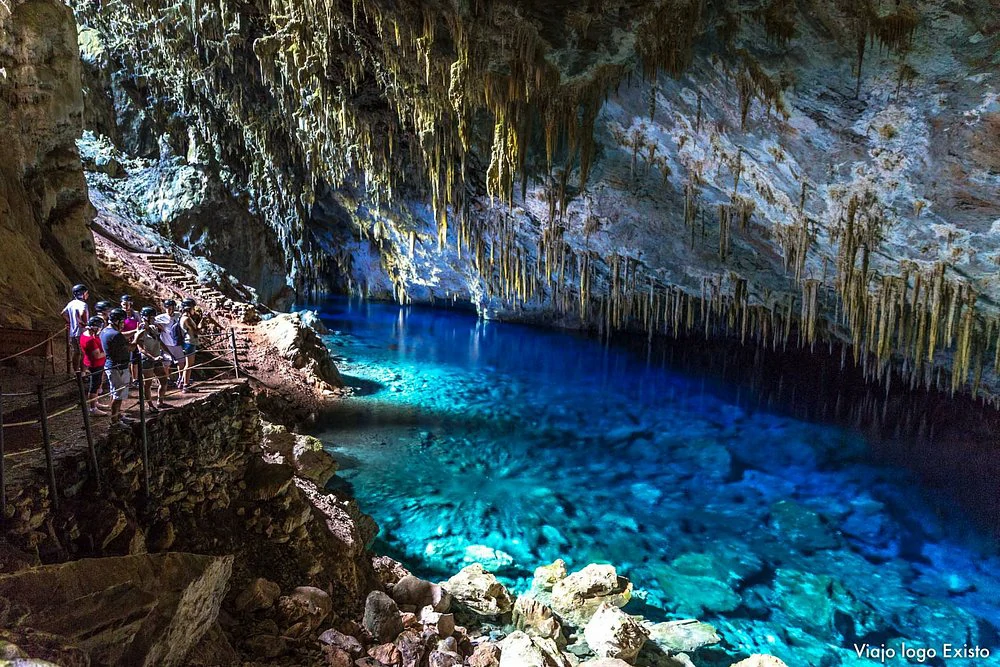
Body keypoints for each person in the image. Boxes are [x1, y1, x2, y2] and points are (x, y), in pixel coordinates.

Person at [100, 308, 135, 425]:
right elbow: (131, 347)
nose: (123, 324)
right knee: (118, 395)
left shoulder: (106, 331)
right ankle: (115, 420)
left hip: (113, 365)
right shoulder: (115, 335)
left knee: (114, 392)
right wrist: (138, 336)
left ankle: (117, 415)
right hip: (118, 367)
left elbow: (121, 336)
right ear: (117, 321)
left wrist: (135, 330)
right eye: (122, 322)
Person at [134, 306, 168, 412]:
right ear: (146, 318)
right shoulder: (140, 331)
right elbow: (141, 349)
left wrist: (170, 353)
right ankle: (150, 405)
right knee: (147, 384)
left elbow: (160, 342)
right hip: (146, 361)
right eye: (152, 317)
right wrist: (153, 358)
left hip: (157, 359)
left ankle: (160, 401)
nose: (154, 319)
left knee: (164, 380)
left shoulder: (153, 328)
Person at [79, 316, 107, 415]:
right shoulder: (90, 340)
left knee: (97, 383)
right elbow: (97, 355)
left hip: (92, 363)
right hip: (95, 364)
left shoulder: (85, 334)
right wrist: (108, 352)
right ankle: (93, 408)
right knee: (94, 386)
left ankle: (96, 402)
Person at [155, 299, 186, 387]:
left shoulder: (178, 315)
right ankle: (166, 379)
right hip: (166, 344)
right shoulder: (160, 317)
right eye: (167, 308)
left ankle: (181, 378)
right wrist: (160, 327)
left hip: (176, 343)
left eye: (171, 308)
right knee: (166, 363)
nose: (169, 309)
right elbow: (152, 321)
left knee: (181, 361)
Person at [61, 284, 90, 373]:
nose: (87, 295)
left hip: (72, 332)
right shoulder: (83, 304)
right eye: (86, 293)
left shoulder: (71, 303)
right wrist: (84, 322)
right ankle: (83, 373)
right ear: (82, 294)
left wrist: (70, 322)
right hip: (82, 332)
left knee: (76, 352)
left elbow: (63, 313)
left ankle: (76, 372)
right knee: (85, 353)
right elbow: (82, 313)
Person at [178, 298, 200, 392]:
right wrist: (203, 321)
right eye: (193, 308)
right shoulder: (187, 318)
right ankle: (185, 385)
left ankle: (184, 383)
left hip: (188, 342)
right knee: (189, 365)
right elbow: (195, 331)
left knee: (189, 364)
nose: (194, 310)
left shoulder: (184, 317)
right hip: (189, 342)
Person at [120, 295, 140, 384]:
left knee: (134, 359)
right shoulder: (119, 314)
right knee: (124, 359)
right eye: (124, 304)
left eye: (129, 304)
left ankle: (135, 378)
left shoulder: (135, 314)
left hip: (134, 338)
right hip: (123, 338)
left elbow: (139, 324)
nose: (127, 306)